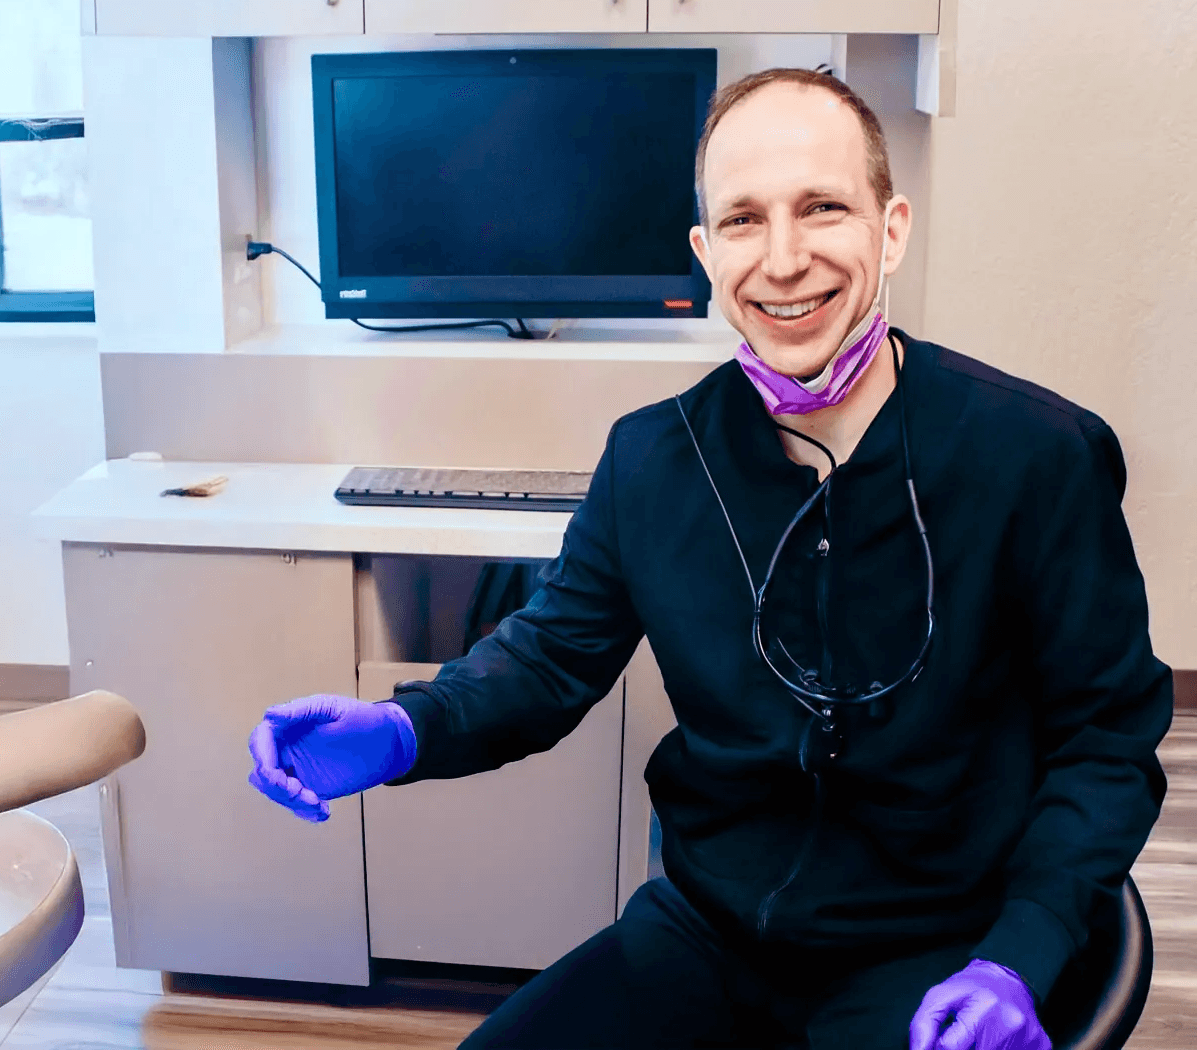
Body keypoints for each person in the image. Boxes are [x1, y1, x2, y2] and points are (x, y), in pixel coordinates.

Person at [246, 68, 1173, 1050]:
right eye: (741, 220)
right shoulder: (652, 460)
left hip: (935, 947)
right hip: (706, 934)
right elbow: (547, 658)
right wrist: (404, 728)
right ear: (703, 252)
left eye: (821, 208)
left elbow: (1106, 739)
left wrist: (1019, 951)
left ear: (889, 229)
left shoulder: (1034, 455)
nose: (782, 259)